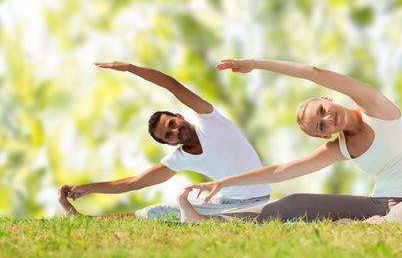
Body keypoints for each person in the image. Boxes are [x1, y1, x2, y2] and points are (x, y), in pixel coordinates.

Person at [185, 58, 402, 223]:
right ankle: (210, 221)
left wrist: (255, 63)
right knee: (294, 202)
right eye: (321, 126)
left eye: (321, 110)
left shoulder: (376, 107)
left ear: (326, 99)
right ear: (324, 136)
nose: (328, 118)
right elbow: (280, 171)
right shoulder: (340, 147)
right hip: (379, 203)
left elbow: (314, 72)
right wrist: (223, 182)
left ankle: (369, 225)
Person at [58, 61, 271, 219]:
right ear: (169, 144)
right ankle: (86, 221)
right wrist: (87, 188)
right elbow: (134, 182)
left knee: (198, 217)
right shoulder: (179, 158)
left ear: (179, 117)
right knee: (156, 212)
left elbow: (172, 85)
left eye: (172, 124)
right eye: (168, 135)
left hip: (259, 200)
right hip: (225, 204)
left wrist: (130, 68)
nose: (175, 131)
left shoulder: (209, 119)